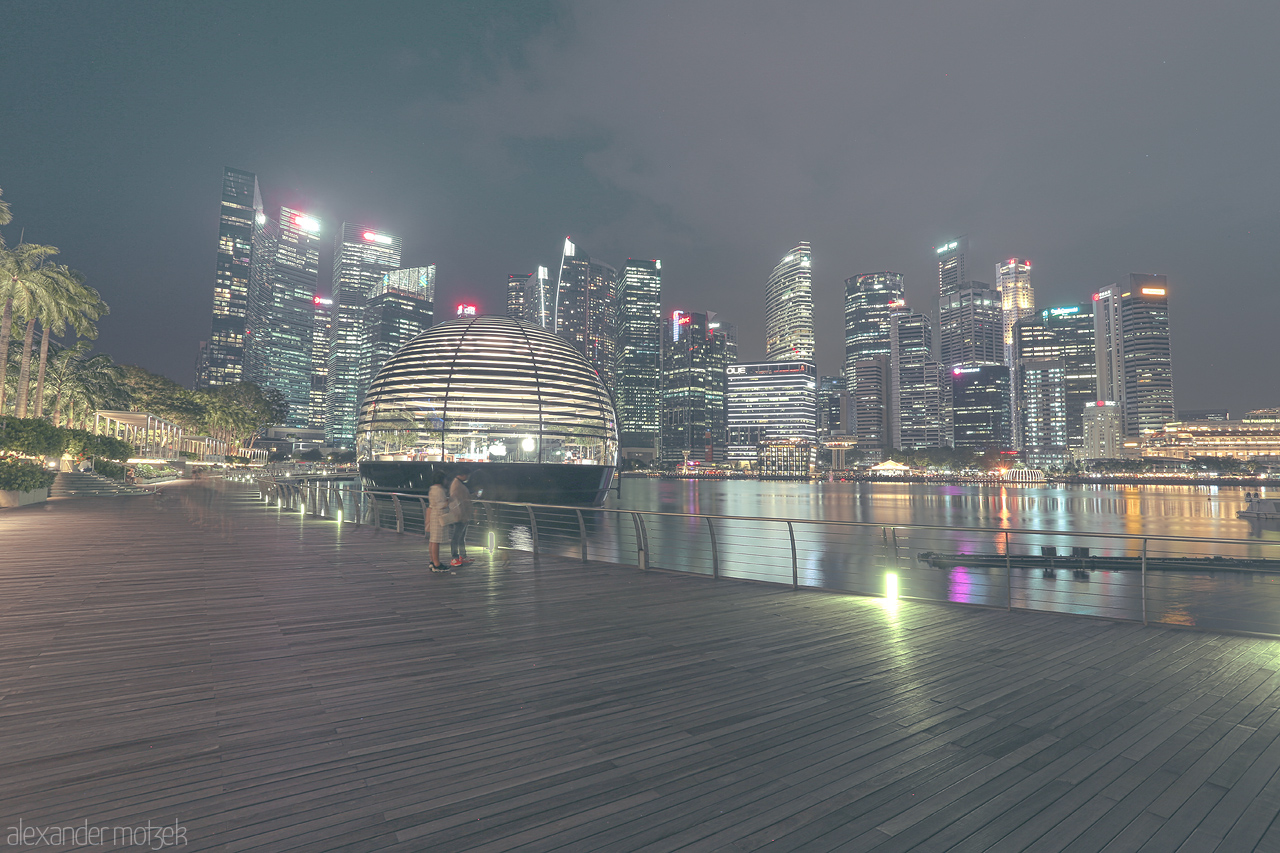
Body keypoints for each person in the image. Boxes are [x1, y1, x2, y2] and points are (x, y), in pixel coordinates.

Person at [426, 470, 451, 572]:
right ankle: (437, 564)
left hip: (433, 515)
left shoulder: (432, 489)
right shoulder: (439, 490)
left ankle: (432, 561)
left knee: (432, 540)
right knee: (436, 541)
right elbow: (442, 505)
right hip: (438, 516)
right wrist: (450, 501)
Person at [449, 470, 474, 567]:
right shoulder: (457, 486)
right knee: (456, 537)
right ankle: (455, 557)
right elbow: (458, 501)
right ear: (463, 475)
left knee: (460, 536)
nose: (468, 478)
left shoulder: (457, 484)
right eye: (468, 475)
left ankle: (462, 556)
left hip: (462, 514)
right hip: (460, 515)